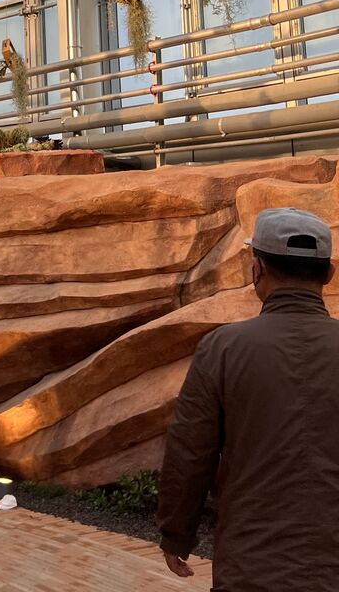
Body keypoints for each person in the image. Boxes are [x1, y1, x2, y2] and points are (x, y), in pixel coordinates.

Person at [157, 207, 338, 590]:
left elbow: (190, 452)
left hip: (252, 566)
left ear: (257, 270)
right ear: (328, 274)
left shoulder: (222, 348)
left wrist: (176, 534)